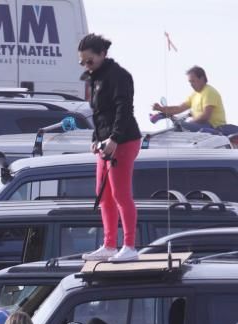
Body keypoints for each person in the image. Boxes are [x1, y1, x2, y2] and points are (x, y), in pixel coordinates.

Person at [78, 33, 143, 263]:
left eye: (90, 61)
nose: (86, 66)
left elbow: (123, 109)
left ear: (103, 55)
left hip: (124, 141)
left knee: (120, 194)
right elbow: (98, 114)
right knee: (103, 194)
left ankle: (129, 246)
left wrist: (114, 138)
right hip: (106, 143)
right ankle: (109, 244)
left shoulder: (119, 76)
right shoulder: (95, 77)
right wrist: (96, 138)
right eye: (83, 62)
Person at [152, 66, 229, 132]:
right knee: (178, 126)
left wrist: (189, 123)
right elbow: (178, 108)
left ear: (202, 78)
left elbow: (205, 116)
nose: (191, 85)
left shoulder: (209, 92)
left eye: (193, 81)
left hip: (214, 128)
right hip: (202, 126)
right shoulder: (194, 94)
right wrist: (161, 108)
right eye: (190, 82)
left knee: (179, 126)